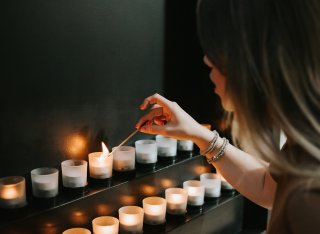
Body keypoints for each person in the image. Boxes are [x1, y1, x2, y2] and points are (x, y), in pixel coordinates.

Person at [135, 0, 320, 233]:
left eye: (217, 48)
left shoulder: (309, 203)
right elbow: (268, 187)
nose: (206, 59)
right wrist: (198, 134)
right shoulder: (305, 141)